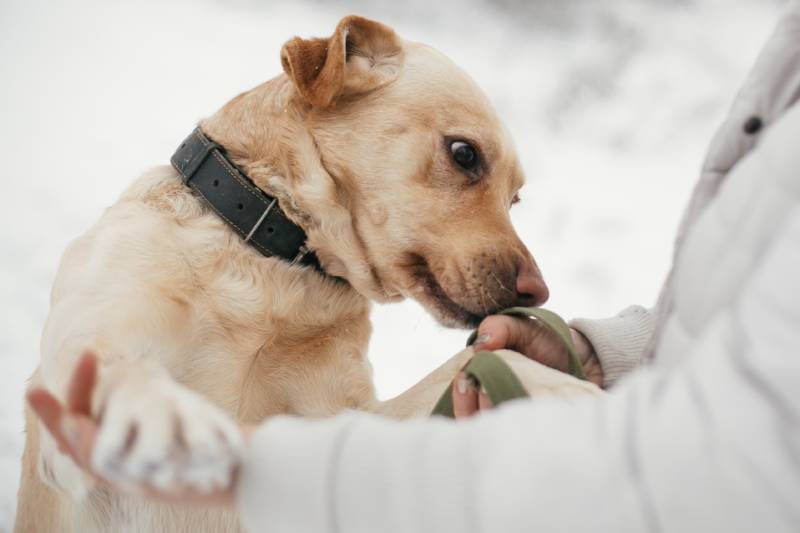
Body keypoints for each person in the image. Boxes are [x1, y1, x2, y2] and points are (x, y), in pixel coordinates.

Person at [28, 4, 800, 532]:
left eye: (510, 202)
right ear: (334, 80)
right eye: (464, 160)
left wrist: (546, 374)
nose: (529, 277)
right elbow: (74, 416)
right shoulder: (140, 245)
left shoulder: (335, 314)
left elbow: (346, 477)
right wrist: (122, 400)